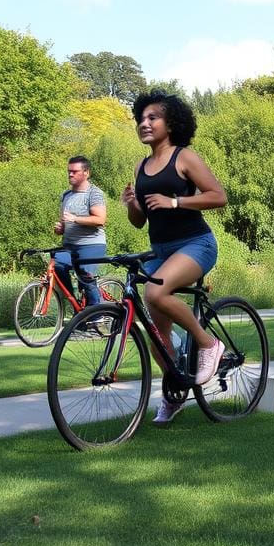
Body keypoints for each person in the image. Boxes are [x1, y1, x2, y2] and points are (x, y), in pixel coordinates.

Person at [120, 90, 228, 426]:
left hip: (196, 244)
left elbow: (219, 196)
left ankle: (209, 343)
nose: (144, 123)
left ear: (171, 123)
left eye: (153, 117)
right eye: (142, 118)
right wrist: (133, 206)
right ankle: (174, 392)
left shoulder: (184, 158)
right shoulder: (141, 166)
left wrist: (176, 202)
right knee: (156, 331)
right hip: (161, 249)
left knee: (155, 292)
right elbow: (140, 222)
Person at [53, 156, 107, 306]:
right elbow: (66, 222)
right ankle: (75, 305)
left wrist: (75, 218)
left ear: (86, 173)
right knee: (56, 266)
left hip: (91, 245)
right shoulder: (66, 195)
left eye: (75, 171)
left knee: (85, 277)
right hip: (69, 246)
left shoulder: (94, 193)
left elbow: (100, 219)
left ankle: (96, 316)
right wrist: (61, 228)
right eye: (69, 171)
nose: (70, 174)